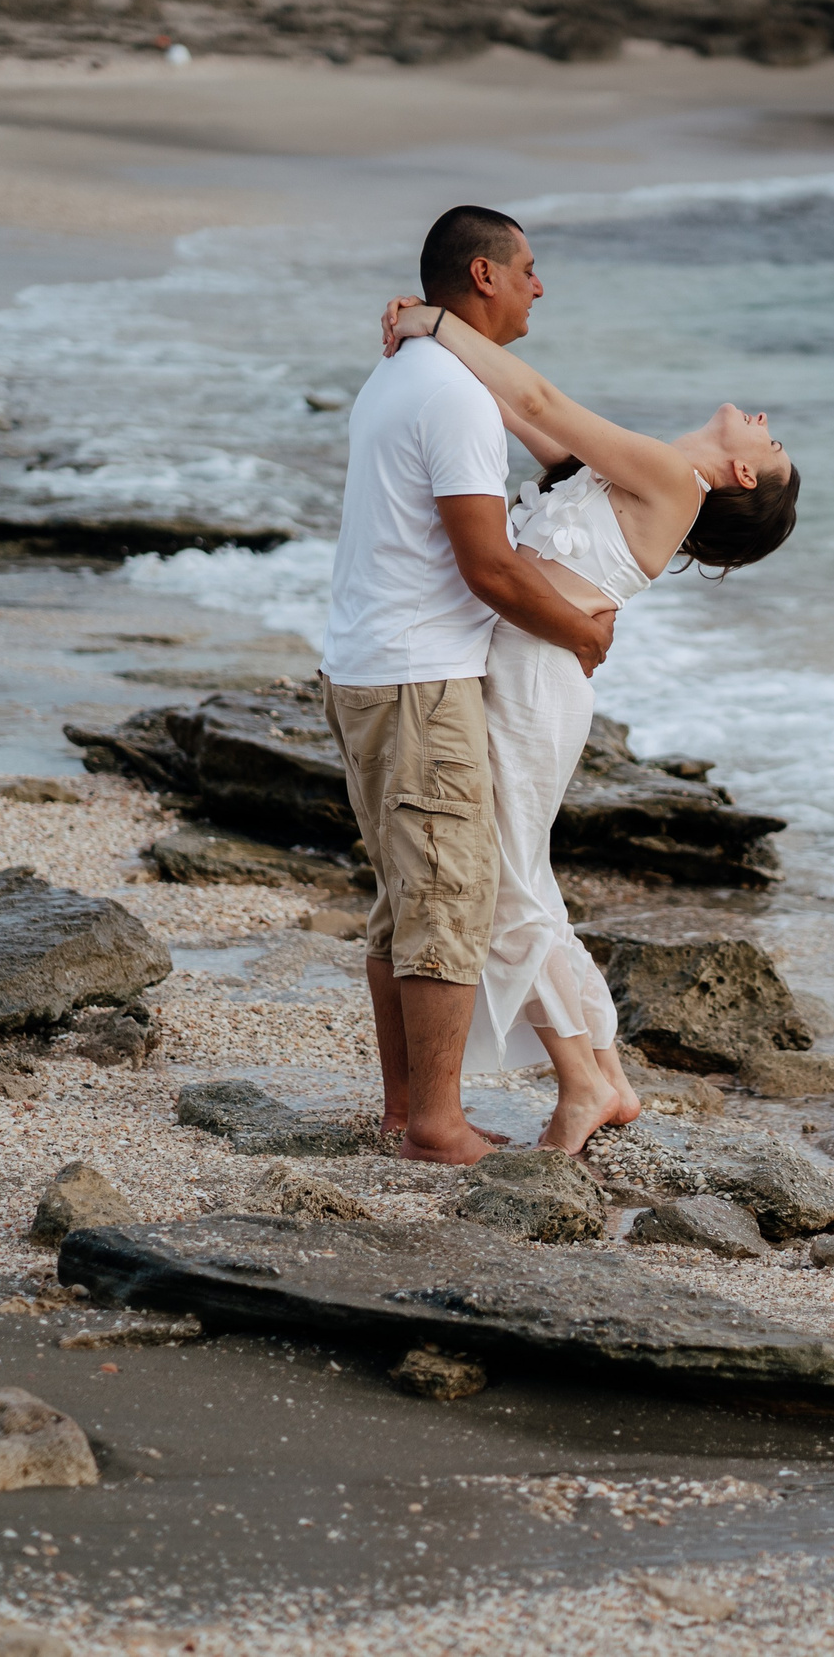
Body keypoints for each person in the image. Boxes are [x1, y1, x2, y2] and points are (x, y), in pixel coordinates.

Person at [375, 287, 802, 1153]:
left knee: (498, 882)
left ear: (744, 473)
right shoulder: (622, 474)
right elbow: (508, 407)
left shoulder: (669, 479)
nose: (761, 416)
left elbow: (541, 401)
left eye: (772, 436)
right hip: (522, 669)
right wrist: (430, 340)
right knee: (518, 877)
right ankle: (606, 1078)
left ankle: (581, 1085)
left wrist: (438, 323)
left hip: (536, 681)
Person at [319, 205, 618, 1166]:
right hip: (418, 675)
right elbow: (487, 567)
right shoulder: (450, 393)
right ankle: (436, 1124)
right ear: (483, 276)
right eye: (528, 268)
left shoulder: (404, 369)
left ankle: (409, 1111)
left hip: (369, 664)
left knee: (405, 898)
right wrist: (579, 631)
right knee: (449, 895)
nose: (541, 284)